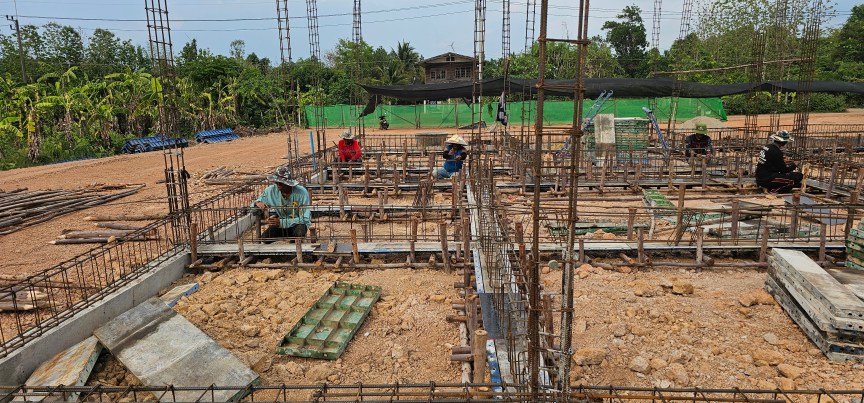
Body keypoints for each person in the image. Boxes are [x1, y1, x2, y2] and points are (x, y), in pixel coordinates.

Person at [250, 166, 311, 240]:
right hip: (280, 225)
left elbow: (305, 219)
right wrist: (257, 203)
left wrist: (281, 222)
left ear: (288, 183)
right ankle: (288, 236)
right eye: (277, 183)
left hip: (297, 224)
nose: (278, 185)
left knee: (299, 232)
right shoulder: (270, 191)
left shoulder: (302, 193)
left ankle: (295, 239)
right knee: (265, 238)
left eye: (281, 183)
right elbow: (253, 208)